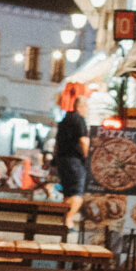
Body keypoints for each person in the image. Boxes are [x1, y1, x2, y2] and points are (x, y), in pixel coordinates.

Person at [52, 96, 90, 233]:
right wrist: (87, 158)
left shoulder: (64, 120)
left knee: (68, 192)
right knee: (77, 193)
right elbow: (84, 140)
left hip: (62, 160)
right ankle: (68, 221)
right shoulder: (79, 120)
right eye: (87, 107)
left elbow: (56, 144)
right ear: (81, 106)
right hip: (74, 160)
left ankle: (64, 221)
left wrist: (54, 159)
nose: (87, 110)